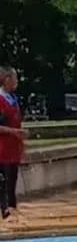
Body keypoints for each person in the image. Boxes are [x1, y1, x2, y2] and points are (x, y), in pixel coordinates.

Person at [0, 65, 25, 221]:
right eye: (14, 78)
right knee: (4, 182)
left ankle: (12, 210)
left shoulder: (13, 98)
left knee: (12, 182)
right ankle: (5, 212)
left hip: (13, 148)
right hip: (2, 149)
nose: (16, 81)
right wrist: (14, 132)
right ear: (7, 79)